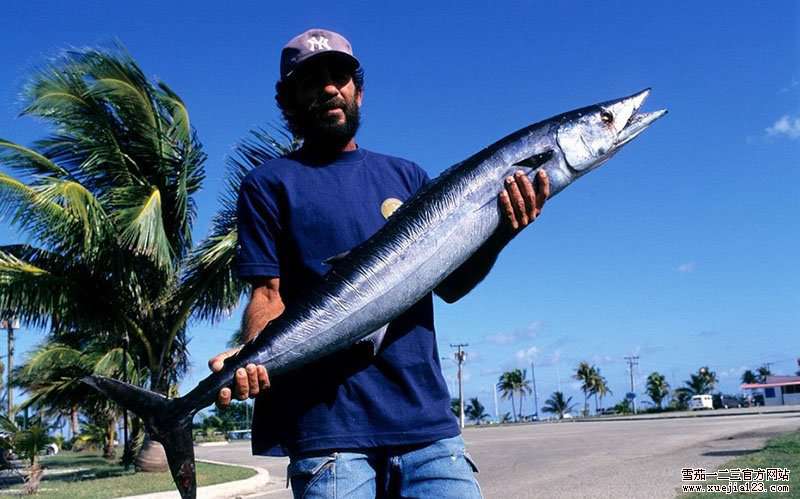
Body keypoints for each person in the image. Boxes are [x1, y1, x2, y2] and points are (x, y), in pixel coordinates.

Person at [208, 28, 549, 499]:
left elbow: (449, 286)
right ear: (287, 100)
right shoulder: (269, 184)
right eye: (312, 79)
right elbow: (267, 295)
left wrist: (501, 233)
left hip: (428, 428)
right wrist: (252, 354)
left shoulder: (409, 177)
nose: (330, 87)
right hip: (329, 435)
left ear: (359, 90)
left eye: (340, 76)